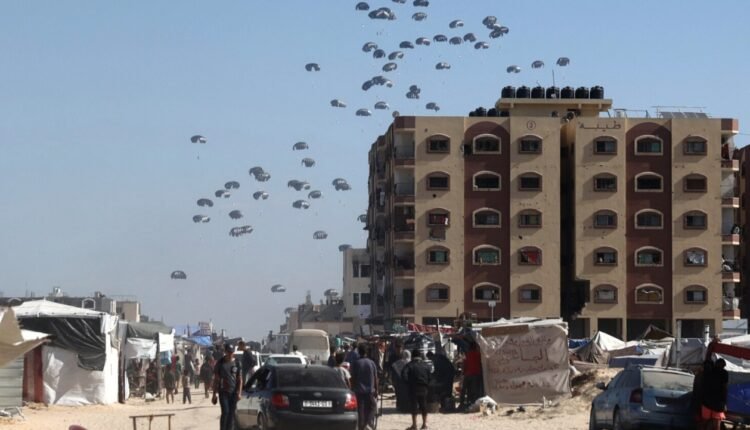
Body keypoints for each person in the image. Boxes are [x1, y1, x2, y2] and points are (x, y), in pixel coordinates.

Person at [213, 344, 243, 430]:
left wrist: (239, 393)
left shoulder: (237, 363)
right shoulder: (220, 363)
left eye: (232, 352)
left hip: (234, 393)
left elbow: (240, 379)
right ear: (225, 352)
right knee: (225, 412)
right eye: (229, 352)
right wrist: (214, 394)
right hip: (223, 392)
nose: (230, 354)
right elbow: (216, 379)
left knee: (231, 414)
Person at [402, 349, 432, 430]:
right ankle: (424, 425)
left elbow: (404, 375)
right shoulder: (425, 365)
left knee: (414, 406)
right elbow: (430, 377)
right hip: (424, 387)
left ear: (412, 356)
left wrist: (408, 383)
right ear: (420, 356)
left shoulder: (409, 365)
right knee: (423, 405)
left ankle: (414, 425)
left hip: (413, 388)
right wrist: (426, 384)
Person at [351, 344, 378, 430]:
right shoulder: (371, 363)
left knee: (360, 412)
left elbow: (353, 378)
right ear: (366, 352)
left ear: (359, 352)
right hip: (370, 391)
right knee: (373, 408)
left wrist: (352, 389)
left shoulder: (356, 363)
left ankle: (362, 427)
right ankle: (368, 422)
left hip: (359, 391)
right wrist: (376, 390)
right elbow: (375, 378)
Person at [701, 358, 729, 430]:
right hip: (718, 403)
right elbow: (725, 388)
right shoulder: (724, 373)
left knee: (704, 422)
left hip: (707, 401)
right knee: (716, 423)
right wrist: (724, 403)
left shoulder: (707, 372)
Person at [459, 341, 482, 410]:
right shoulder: (478, 354)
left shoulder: (467, 354)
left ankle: (462, 403)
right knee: (474, 390)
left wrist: (463, 373)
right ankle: (472, 402)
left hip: (468, 374)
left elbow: (465, 364)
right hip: (476, 374)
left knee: (464, 389)